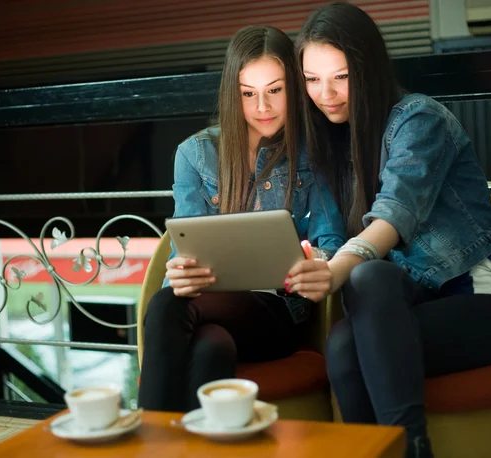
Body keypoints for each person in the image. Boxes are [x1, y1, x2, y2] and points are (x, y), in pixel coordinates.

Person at [285, 3, 491, 457]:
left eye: (341, 76)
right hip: (397, 307)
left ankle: (411, 449)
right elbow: (337, 237)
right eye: (312, 79)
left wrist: (337, 272)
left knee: (363, 287)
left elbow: (394, 216)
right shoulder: (333, 145)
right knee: (342, 338)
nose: (326, 93)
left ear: (368, 68)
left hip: (477, 304)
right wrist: (320, 261)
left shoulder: (419, 119)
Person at [138, 25, 346, 413]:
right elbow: (186, 243)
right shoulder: (195, 155)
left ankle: (148, 442)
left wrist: (316, 260)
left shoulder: (313, 152)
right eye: (248, 94)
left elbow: (332, 243)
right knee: (211, 348)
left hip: (279, 314)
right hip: (209, 309)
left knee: (166, 306)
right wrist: (179, 271)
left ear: (295, 88)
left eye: (275, 90)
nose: (262, 107)